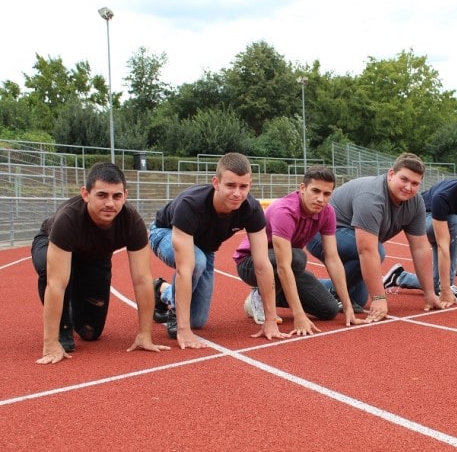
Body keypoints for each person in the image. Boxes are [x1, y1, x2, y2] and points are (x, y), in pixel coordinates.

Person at [30, 162, 170, 365]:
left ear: (125, 195)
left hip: (94, 259)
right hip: (52, 246)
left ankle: (156, 290)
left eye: (117, 196)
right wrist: (50, 343)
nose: (110, 203)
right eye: (102, 195)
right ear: (86, 194)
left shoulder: (132, 222)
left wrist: (144, 335)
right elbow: (56, 284)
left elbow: (141, 280)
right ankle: (62, 327)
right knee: (51, 270)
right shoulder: (68, 219)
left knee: (90, 332)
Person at [149, 152, 288, 349]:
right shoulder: (190, 205)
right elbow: (185, 268)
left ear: (250, 184)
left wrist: (270, 320)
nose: (237, 193)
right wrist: (183, 329)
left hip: (204, 249)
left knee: (196, 320)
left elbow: (262, 264)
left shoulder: (252, 209)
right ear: (216, 182)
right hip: (164, 232)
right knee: (195, 262)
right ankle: (173, 311)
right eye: (230, 185)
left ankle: (161, 290)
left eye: (243, 186)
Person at [306, 153, 443, 322]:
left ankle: (308, 285)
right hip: (322, 234)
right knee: (377, 251)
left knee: (360, 297)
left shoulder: (415, 203)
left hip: (352, 239)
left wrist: (429, 293)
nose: (408, 187)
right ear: (391, 174)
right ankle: (336, 293)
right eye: (404, 180)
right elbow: (367, 250)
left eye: (415, 183)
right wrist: (379, 298)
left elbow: (420, 248)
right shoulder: (372, 197)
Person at [234, 166, 366, 335]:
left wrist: (348, 307)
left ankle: (273, 295)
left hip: (287, 261)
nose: (320, 199)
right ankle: (260, 295)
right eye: (315, 191)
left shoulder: (328, 213)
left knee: (329, 310)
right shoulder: (285, 211)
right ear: (302, 188)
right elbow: (283, 266)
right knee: (298, 257)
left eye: (326, 194)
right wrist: (299, 315)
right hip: (251, 263)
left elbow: (332, 258)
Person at [383, 156, 457, 302]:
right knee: (456, 224)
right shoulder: (444, 195)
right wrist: (445, 288)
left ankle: (400, 277)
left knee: (434, 280)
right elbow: (442, 245)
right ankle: (447, 285)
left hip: (446, 223)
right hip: (420, 219)